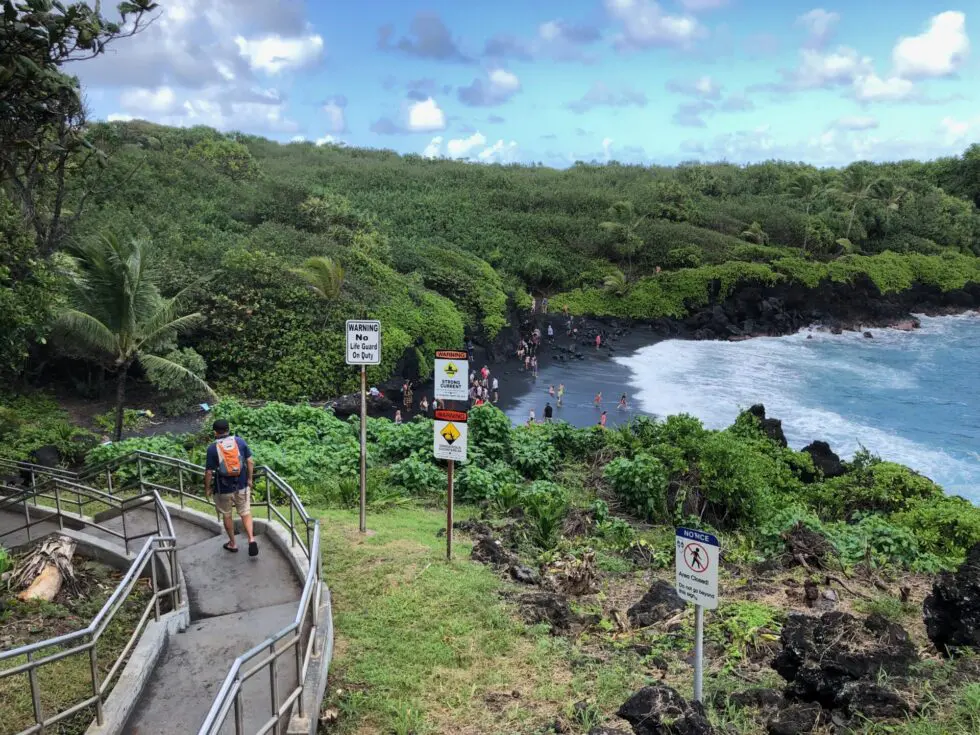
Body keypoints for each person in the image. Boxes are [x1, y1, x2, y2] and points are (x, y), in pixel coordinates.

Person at [205, 419, 258, 556]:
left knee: (227, 515)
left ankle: (233, 544)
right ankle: (251, 539)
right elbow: (250, 461)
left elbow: (209, 472)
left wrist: (207, 489)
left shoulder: (212, 448)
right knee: (245, 512)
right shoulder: (239, 442)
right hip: (241, 484)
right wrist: (250, 479)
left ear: (215, 432)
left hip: (222, 488)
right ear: (229, 429)